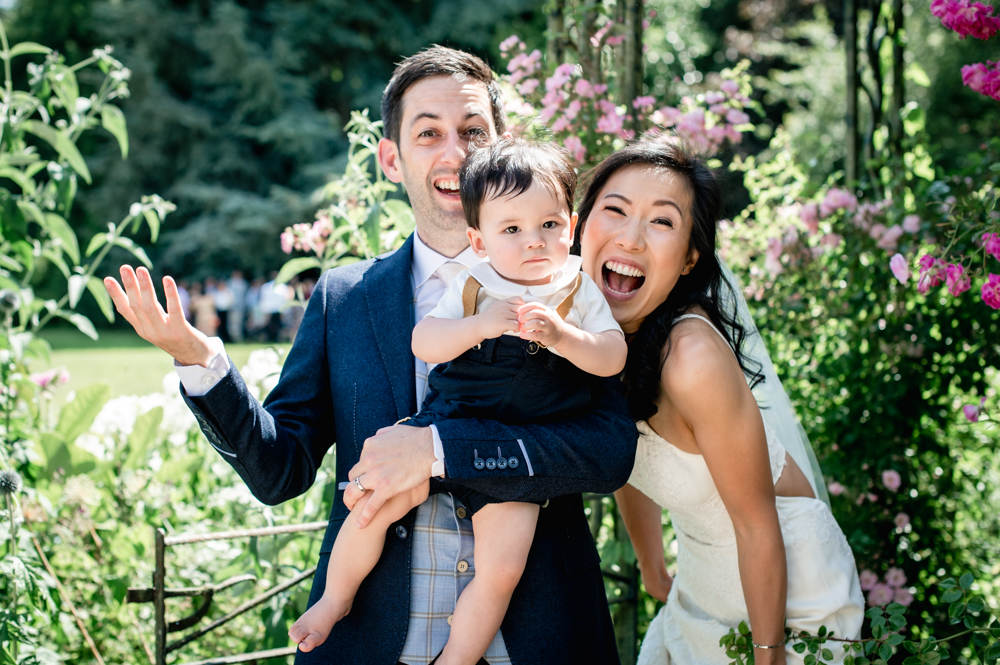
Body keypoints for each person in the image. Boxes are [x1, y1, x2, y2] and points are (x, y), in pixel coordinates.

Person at [103, 46, 637, 665]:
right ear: (392, 158)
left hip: (539, 641)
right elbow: (281, 470)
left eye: (472, 132)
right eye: (428, 134)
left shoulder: (564, 287)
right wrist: (200, 362)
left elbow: (609, 452)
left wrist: (440, 451)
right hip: (373, 647)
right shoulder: (344, 299)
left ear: (499, 147)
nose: (453, 152)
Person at [288, 138, 627, 663]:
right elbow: (426, 342)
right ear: (481, 239)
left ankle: (457, 658)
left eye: (550, 226)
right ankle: (335, 599)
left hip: (518, 454)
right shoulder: (475, 282)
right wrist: (476, 326)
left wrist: (565, 337)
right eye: (512, 229)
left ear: (572, 225)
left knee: (501, 569)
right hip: (452, 414)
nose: (534, 242)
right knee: (375, 502)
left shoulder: (577, 289)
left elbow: (611, 356)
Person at [575, 139, 864, 664]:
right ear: (580, 223)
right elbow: (624, 453)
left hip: (790, 600)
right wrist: (650, 564)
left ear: (689, 259)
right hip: (702, 589)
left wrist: (769, 654)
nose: (631, 238)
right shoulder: (584, 335)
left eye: (661, 222)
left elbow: (758, 525)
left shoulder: (692, 359)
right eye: (614, 210)